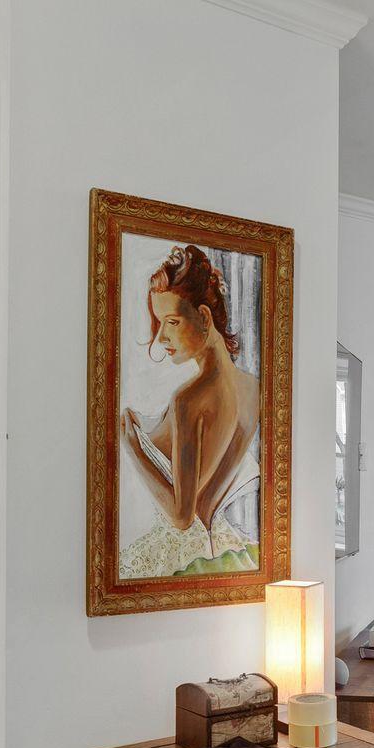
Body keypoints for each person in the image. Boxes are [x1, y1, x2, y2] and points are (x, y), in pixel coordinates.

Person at [119, 244, 261, 578]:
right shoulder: (253, 388)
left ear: (205, 317)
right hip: (221, 545)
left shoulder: (188, 400)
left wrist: (133, 445)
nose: (163, 338)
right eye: (159, 324)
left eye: (171, 321)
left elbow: (183, 516)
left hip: (182, 553)